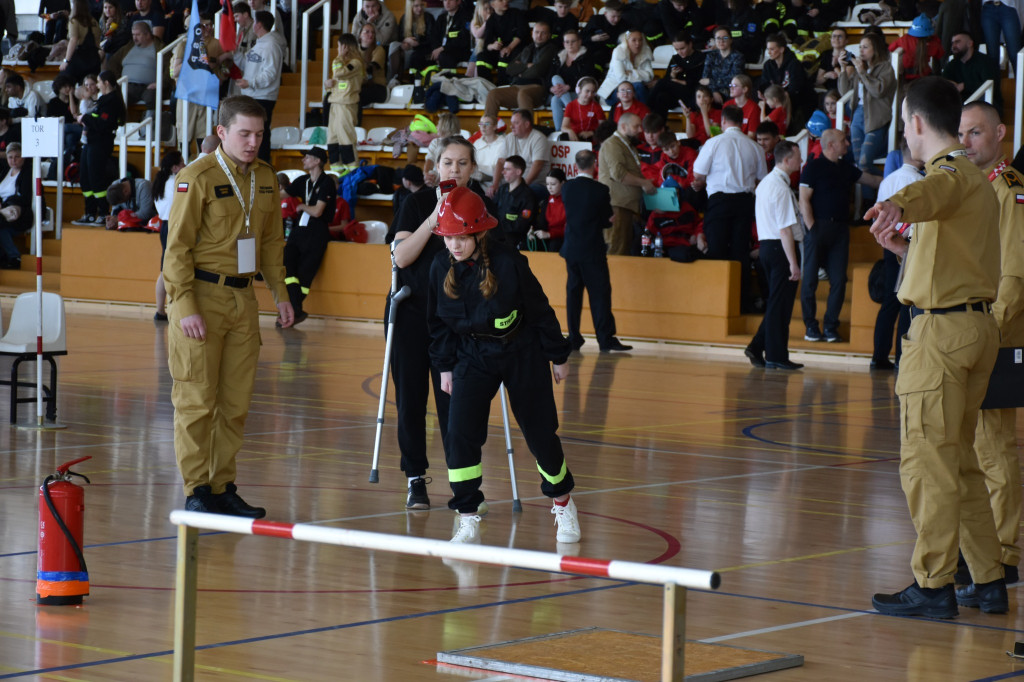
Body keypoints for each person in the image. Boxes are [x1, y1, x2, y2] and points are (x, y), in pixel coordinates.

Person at [867, 76, 1005, 619]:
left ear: (917, 122)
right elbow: (948, 261)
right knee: (961, 461)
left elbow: (930, 193)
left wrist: (895, 203)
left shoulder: (945, 174)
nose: (904, 131)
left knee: (927, 463)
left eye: (904, 122)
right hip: (971, 327)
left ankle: (932, 584)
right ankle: (987, 578)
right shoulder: (972, 179)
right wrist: (902, 247)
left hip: (942, 337)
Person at [426, 186, 581, 544]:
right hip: (470, 357)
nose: (454, 245)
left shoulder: (509, 262)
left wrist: (558, 355)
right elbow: (437, 324)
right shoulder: (439, 266)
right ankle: (467, 516)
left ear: (480, 231)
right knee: (460, 435)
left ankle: (562, 502)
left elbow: (540, 309)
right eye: (449, 237)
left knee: (541, 434)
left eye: (462, 237)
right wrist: (445, 366)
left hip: (521, 353)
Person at [164, 95, 294, 517]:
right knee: (197, 400)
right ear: (221, 132)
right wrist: (183, 306)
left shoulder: (267, 178)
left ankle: (223, 486)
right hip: (200, 298)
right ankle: (197, 488)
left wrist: (281, 293)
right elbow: (177, 248)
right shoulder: (196, 177)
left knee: (236, 403)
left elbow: (272, 243)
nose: (253, 142)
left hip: (243, 299)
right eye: (244, 133)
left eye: (259, 134)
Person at [388, 136, 494, 510]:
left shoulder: (483, 207)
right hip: (412, 316)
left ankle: (462, 485)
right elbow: (400, 258)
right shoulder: (416, 202)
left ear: (472, 168)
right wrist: (434, 220)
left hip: (459, 323)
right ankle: (416, 478)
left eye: (462, 163)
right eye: (447, 163)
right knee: (412, 402)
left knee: (457, 406)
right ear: (436, 167)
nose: (454, 170)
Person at [955, 101, 1024, 602]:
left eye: (975, 132)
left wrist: (989, 333)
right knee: (977, 447)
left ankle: (1003, 553)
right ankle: (983, 550)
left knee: (995, 450)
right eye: (961, 133)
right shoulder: (974, 189)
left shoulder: (1010, 189)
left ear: (1000, 133)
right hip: (975, 331)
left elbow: (1014, 277)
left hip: (1000, 335)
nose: (966, 142)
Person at [798, 128, 880, 343]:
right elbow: (803, 199)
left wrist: (900, 177)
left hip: (840, 230)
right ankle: (811, 326)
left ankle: (830, 327)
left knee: (839, 280)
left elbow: (870, 180)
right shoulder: (812, 167)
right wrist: (812, 228)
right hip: (818, 228)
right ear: (832, 145)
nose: (848, 144)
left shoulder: (845, 167)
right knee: (809, 282)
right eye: (844, 140)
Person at [692, 105, 767, 313]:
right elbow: (762, 177)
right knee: (740, 252)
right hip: (745, 202)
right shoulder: (755, 147)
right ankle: (739, 302)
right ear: (742, 122)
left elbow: (698, 173)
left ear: (723, 122)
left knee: (716, 249)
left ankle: (715, 302)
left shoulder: (713, 143)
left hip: (719, 202)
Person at [561, 149, 631, 353]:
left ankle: (574, 337)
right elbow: (606, 220)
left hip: (571, 249)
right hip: (592, 250)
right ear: (594, 166)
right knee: (599, 295)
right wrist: (607, 221)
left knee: (573, 294)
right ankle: (605, 338)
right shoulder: (600, 190)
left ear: (576, 166)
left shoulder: (567, 188)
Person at [745, 140, 803, 370]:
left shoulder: (766, 183)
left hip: (768, 247)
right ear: (787, 160)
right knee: (781, 305)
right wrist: (794, 264)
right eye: (798, 157)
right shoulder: (779, 187)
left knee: (777, 302)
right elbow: (785, 229)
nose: (801, 160)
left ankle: (758, 346)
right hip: (780, 248)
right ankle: (776, 355)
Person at [870, 138, 920, 370]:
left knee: (890, 301)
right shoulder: (920, 182)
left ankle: (878, 357)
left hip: (887, 243)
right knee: (905, 302)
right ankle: (902, 359)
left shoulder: (888, 180)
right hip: (909, 245)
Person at [281, 147, 336, 326]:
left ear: (318, 161)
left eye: (308, 157)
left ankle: (291, 313)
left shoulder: (326, 182)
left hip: (316, 233)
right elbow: (282, 194)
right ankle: (295, 311)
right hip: (299, 231)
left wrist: (302, 206)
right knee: (287, 265)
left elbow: (318, 211)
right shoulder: (302, 180)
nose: (304, 160)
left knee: (304, 276)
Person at [839, 32, 896, 179]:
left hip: (877, 117)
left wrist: (863, 73)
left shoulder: (886, 68)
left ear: (875, 49)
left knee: (864, 164)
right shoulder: (860, 68)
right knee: (859, 164)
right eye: (860, 47)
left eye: (865, 47)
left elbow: (878, 91)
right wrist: (843, 69)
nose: (861, 51)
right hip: (858, 114)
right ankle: (867, 201)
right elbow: (845, 92)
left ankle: (890, 184)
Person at [598, 112, 655, 257]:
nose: (640, 130)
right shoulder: (612, 144)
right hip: (617, 207)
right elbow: (618, 174)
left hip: (627, 207)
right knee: (617, 251)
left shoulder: (627, 145)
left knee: (623, 251)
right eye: (636, 126)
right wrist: (643, 183)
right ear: (623, 126)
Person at [74, 70, 124, 225]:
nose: (97, 85)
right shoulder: (103, 100)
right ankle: (89, 213)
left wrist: (85, 118)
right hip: (90, 142)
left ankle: (103, 213)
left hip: (101, 144)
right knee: (85, 177)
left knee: (97, 178)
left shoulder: (112, 101)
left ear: (106, 83)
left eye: (99, 82)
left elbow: (102, 124)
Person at [483, 20, 557, 118]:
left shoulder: (550, 49)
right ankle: (488, 126)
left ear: (549, 35)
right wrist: (526, 65)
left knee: (523, 94)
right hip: (517, 86)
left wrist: (520, 72)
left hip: (537, 88)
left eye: (543, 33)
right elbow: (509, 69)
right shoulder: (527, 49)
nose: (539, 36)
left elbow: (537, 70)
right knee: (493, 94)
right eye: (537, 32)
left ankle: (527, 130)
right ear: (532, 33)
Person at [238, 11, 283, 164]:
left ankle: (262, 163)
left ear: (258, 25)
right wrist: (233, 54)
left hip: (263, 96)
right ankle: (253, 161)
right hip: (252, 95)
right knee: (251, 130)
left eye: (254, 21)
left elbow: (270, 73)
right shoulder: (259, 44)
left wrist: (251, 83)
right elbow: (247, 64)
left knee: (259, 132)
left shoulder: (271, 45)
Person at [153, 151, 186, 322]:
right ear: (175, 167)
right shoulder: (176, 183)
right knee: (171, 269)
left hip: (165, 226)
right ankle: (169, 310)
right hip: (174, 226)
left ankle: (161, 311)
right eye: (182, 163)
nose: (185, 165)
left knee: (165, 269)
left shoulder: (161, 182)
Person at [325, 33, 364, 171]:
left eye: (339, 46)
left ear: (345, 47)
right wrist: (328, 84)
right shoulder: (342, 64)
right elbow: (337, 80)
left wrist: (339, 57)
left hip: (347, 105)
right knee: (333, 138)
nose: (338, 50)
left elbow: (339, 73)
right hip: (335, 103)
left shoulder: (356, 63)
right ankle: (337, 170)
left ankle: (353, 170)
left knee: (346, 138)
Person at [489, 109, 549, 198]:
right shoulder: (509, 138)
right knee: (495, 190)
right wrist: (495, 184)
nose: (511, 126)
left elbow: (537, 165)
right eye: (511, 123)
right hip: (513, 182)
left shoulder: (539, 138)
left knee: (525, 193)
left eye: (516, 123)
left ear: (527, 124)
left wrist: (521, 187)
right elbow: (501, 162)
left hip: (534, 184)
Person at [548, 29, 597, 134]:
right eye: (567, 42)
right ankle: (560, 130)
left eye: (573, 41)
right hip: (563, 93)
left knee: (556, 99)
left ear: (579, 42)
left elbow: (587, 79)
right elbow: (549, 76)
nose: (570, 44)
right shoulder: (558, 57)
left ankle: (561, 130)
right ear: (563, 43)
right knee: (555, 80)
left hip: (580, 93)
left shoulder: (587, 57)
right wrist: (551, 88)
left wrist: (569, 86)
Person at [648, 31, 704, 117]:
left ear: (690, 44)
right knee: (661, 97)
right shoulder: (676, 58)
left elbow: (700, 81)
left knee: (661, 83)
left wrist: (680, 82)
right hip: (676, 93)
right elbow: (668, 78)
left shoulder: (700, 58)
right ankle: (658, 127)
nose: (680, 52)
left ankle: (646, 108)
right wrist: (672, 75)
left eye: (682, 48)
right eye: (677, 49)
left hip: (692, 92)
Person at [942, 31, 1001, 110]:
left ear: (970, 43)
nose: (953, 46)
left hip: (986, 105)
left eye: (957, 42)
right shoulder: (952, 64)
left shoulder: (985, 61)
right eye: (952, 43)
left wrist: (964, 86)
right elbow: (943, 81)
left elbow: (990, 85)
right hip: (962, 106)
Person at [597, 29, 655, 106]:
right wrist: (642, 77)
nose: (638, 43)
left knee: (657, 87)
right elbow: (621, 79)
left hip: (633, 92)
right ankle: (646, 114)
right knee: (639, 86)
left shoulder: (646, 51)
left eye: (640, 40)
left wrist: (632, 72)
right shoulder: (618, 51)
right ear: (627, 41)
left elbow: (650, 76)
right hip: (614, 91)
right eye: (634, 40)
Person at [0, 144, 33, 270]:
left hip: (20, 213)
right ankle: (9, 257)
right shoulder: (4, 172)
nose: (13, 160)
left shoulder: (28, 173)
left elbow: (25, 198)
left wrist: (5, 203)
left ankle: (14, 257)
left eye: (17, 157)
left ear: (23, 157)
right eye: (10, 157)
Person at [493, 155, 535, 248]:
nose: (503, 172)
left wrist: (499, 226)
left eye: (507, 169)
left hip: (514, 239)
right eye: (504, 169)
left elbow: (522, 224)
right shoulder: (502, 189)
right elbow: (492, 209)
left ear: (518, 172)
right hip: (496, 233)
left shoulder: (528, 196)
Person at [889, 14, 944, 81]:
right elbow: (940, 54)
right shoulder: (932, 43)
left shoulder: (904, 39)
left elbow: (890, 48)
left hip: (907, 78)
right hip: (925, 77)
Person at [701, 27, 745, 105]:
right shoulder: (711, 56)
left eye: (725, 38)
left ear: (731, 40)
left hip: (731, 91)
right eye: (718, 38)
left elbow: (733, 80)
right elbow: (705, 78)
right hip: (712, 91)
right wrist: (714, 91)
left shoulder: (738, 57)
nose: (721, 41)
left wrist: (711, 81)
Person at [62, 0, 102, 84]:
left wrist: (66, 61)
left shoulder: (74, 21)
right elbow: (97, 43)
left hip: (80, 60)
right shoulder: (94, 21)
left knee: (62, 81)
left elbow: (73, 40)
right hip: (94, 60)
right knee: (89, 86)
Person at [559, 76, 604, 142]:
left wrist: (591, 132)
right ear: (579, 90)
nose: (590, 95)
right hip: (575, 138)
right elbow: (563, 127)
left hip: (591, 139)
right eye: (587, 91)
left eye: (592, 92)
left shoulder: (596, 106)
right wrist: (569, 131)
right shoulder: (570, 105)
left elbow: (603, 128)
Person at [357, 22, 388, 113]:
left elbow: (370, 69)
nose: (370, 35)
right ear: (360, 35)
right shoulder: (355, 51)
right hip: (360, 86)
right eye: (367, 32)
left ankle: (356, 124)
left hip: (378, 88)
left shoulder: (378, 49)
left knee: (356, 96)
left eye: (373, 32)